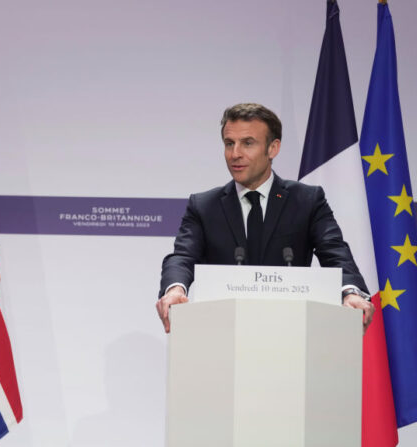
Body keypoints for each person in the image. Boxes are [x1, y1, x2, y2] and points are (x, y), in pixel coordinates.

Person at [157, 103, 374, 332]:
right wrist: (175, 289)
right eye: (229, 143)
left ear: (273, 148)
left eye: (247, 143)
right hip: (222, 334)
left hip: (291, 332)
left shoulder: (307, 201)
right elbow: (181, 257)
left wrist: (351, 291)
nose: (235, 153)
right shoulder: (203, 206)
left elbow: (335, 252)